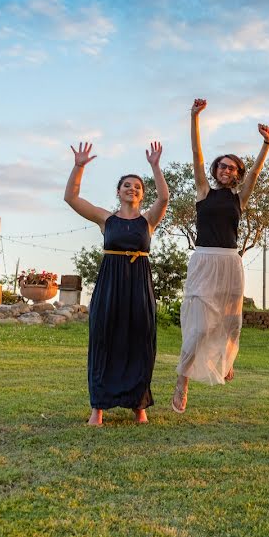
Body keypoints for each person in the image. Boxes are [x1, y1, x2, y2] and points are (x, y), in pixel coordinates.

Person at [172, 99, 269, 413]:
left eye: (232, 167)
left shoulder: (239, 198)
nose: (226, 170)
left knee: (232, 324)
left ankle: (227, 360)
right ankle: (182, 381)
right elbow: (196, 154)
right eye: (222, 165)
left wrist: (267, 144)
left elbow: (256, 172)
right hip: (204, 261)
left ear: (237, 174)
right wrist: (194, 118)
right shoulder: (204, 190)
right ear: (216, 170)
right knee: (199, 328)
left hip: (231, 263)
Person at [64, 141, 169, 426]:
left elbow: (164, 199)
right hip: (110, 285)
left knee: (141, 341)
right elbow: (72, 198)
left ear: (141, 193)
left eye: (137, 186)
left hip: (139, 287)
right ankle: (98, 407)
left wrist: (155, 167)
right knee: (104, 340)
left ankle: (139, 405)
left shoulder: (148, 221)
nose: (132, 189)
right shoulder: (105, 219)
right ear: (118, 192)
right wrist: (79, 166)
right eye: (126, 185)